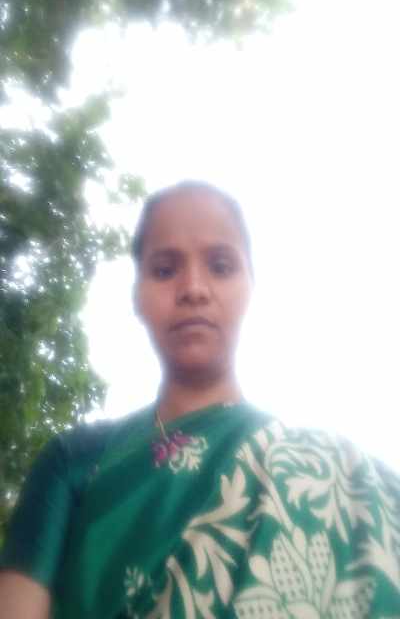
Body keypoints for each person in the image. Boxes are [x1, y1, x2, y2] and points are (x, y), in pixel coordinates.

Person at [0, 180, 399, 619]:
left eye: (221, 266)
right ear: (137, 296)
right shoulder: (75, 462)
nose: (193, 288)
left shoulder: (339, 478)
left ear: (249, 285)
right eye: (164, 270)